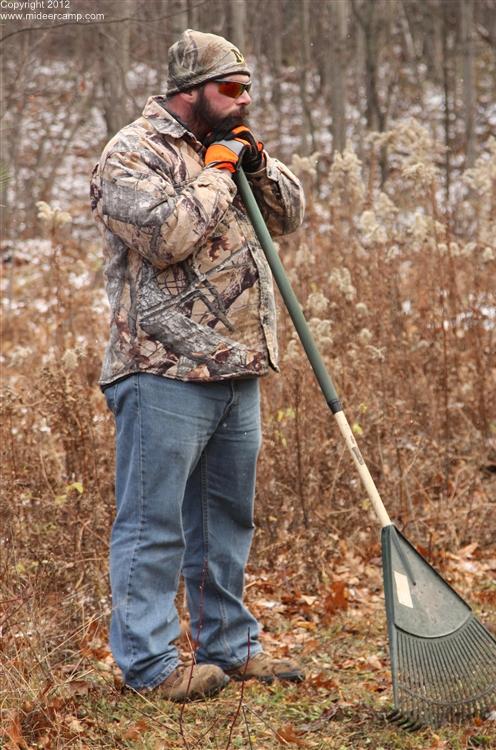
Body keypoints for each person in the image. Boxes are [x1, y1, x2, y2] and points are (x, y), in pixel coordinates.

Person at [90, 29, 305, 702]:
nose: (244, 100)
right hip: (160, 371)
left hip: (235, 368)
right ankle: (151, 667)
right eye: (230, 89)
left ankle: (231, 648)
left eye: (248, 88)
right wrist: (217, 171)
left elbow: (290, 216)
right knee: (152, 525)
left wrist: (257, 165)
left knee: (226, 523)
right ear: (189, 92)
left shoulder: (229, 146)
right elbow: (166, 238)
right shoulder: (131, 153)